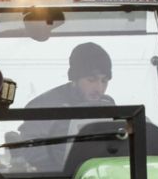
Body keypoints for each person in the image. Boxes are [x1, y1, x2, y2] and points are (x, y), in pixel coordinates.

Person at [15, 42, 116, 170]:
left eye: (104, 81)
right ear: (75, 78)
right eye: (91, 80)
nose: (99, 88)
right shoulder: (43, 106)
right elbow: (30, 150)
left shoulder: (107, 105)